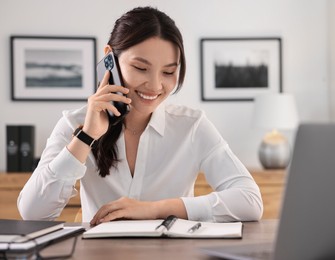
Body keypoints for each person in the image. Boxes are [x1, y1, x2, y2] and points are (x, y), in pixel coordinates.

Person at [17, 6, 263, 224]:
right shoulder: (74, 123)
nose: (155, 86)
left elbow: (250, 200)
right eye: (140, 68)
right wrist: (86, 137)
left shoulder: (192, 125)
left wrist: (155, 209)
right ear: (110, 59)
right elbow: (33, 213)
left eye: (168, 72)